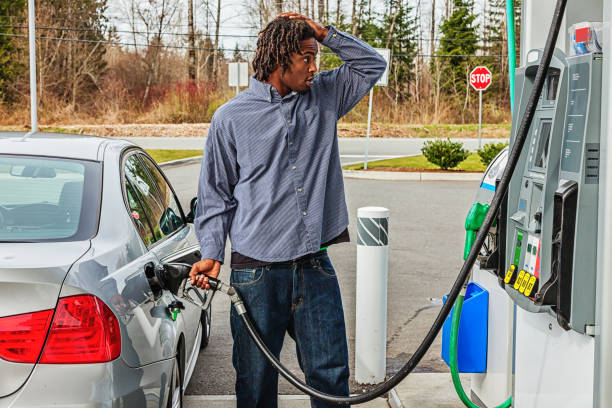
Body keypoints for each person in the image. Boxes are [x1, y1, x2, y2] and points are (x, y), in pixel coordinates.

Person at [189, 12, 386, 408]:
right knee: (256, 382)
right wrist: (211, 253)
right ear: (281, 60)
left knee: (331, 377)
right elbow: (215, 195)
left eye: (317, 59)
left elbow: (371, 64)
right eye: (308, 59)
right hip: (256, 273)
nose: (315, 68)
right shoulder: (230, 119)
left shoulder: (326, 96)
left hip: (314, 266)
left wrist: (323, 34)